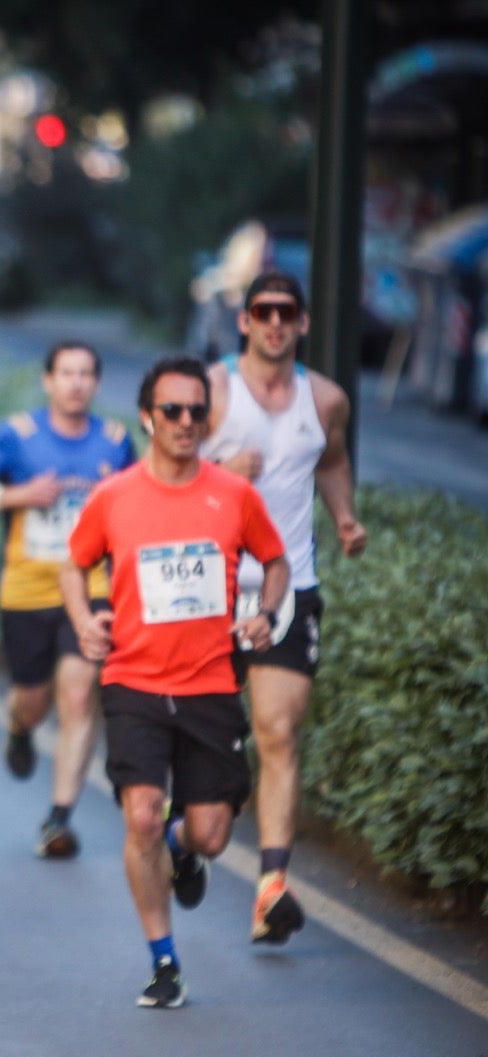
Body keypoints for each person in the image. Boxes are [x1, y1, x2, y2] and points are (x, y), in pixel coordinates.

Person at [62, 356, 288, 1008]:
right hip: (133, 678)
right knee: (139, 814)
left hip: (211, 681)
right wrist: (84, 622)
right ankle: (164, 960)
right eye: (173, 411)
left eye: (197, 411)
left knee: (212, 833)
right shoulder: (114, 495)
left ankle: (182, 847)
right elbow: (74, 568)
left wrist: (266, 613)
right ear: (147, 417)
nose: (187, 422)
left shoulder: (233, 494)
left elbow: (275, 562)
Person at [202, 270, 367, 944]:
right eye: (263, 311)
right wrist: (220, 472)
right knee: (210, 737)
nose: (275, 322)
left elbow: (330, 458)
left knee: (277, 732)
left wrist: (347, 517)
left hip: (289, 584)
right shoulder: (210, 392)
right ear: (244, 320)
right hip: (205, 587)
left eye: (287, 312)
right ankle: (191, 836)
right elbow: (164, 466)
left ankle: (272, 886)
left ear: (301, 322)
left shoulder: (325, 397)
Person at [0, 341, 136, 858]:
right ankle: (18, 727)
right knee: (32, 700)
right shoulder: (18, 435)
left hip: (92, 586)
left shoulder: (117, 441)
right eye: (66, 373)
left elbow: (137, 506)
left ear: (96, 384)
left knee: (78, 694)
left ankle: (58, 819)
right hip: (27, 587)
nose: (76, 382)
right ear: (48, 380)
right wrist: (16, 496)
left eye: (85, 374)